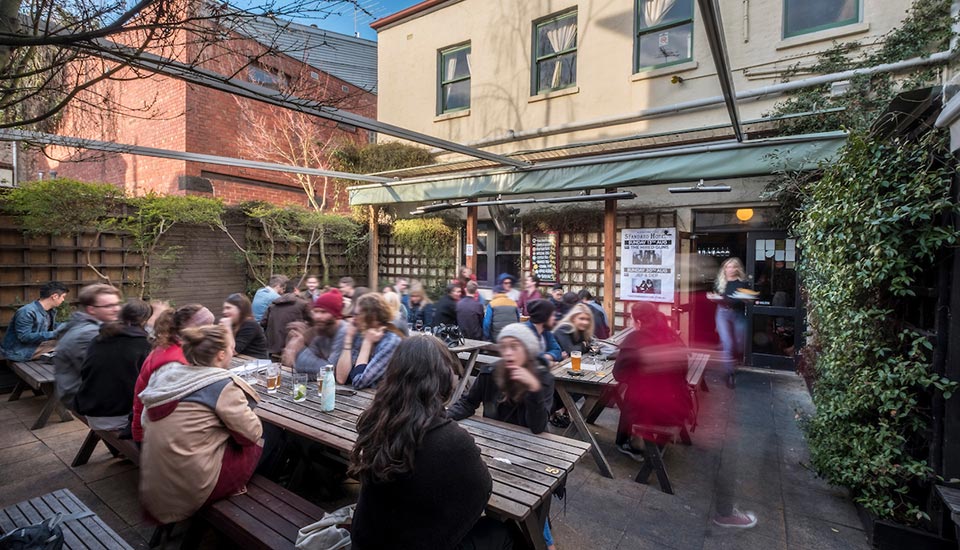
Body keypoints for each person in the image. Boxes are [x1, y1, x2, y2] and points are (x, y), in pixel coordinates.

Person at [350, 335, 513, 550]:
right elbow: (482, 492)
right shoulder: (451, 440)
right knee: (503, 532)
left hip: (366, 539)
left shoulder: (376, 420)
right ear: (443, 378)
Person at [139, 325, 263, 524]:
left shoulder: (168, 376)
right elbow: (252, 434)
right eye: (231, 348)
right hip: (193, 487)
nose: (233, 351)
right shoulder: (221, 385)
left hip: (158, 483)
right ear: (221, 355)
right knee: (263, 440)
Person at [448, 323, 557, 548]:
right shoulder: (490, 373)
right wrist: (443, 417)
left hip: (532, 452)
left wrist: (533, 389)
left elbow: (538, 427)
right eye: (504, 347)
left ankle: (544, 540)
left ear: (527, 350)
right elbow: (469, 403)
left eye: (514, 347)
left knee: (530, 501)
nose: (507, 353)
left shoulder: (542, 378)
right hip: (494, 447)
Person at [613, 302, 692, 457]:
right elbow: (683, 371)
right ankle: (638, 440)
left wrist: (637, 375)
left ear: (639, 322)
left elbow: (618, 374)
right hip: (677, 406)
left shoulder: (635, 338)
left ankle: (631, 443)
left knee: (635, 392)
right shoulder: (671, 334)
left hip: (650, 410)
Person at [132, 304, 216, 443]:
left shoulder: (173, 346)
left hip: (150, 427)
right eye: (209, 325)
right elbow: (165, 411)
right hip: (149, 437)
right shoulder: (173, 363)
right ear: (193, 329)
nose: (214, 330)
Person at [74, 300, 152, 431]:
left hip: (90, 409)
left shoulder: (99, 338)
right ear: (145, 320)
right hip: (119, 417)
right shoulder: (144, 345)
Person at [54, 284, 122, 410]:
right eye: (109, 306)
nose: (117, 309)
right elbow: (106, 373)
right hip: (83, 397)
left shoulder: (86, 325)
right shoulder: (89, 334)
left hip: (84, 391)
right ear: (91, 310)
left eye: (117, 304)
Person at [335, 293, 403, 389]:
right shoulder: (359, 334)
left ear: (373, 318)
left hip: (381, 400)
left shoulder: (391, 341)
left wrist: (367, 343)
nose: (353, 319)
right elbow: (341, 378)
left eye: (357, 315)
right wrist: (348, 339)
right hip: (358, 398)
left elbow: (358, 382)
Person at [708, 258, 750, 388]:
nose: (730, 269)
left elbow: (748, 299)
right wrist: (713, 298)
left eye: (732, 267)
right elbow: (715, 296)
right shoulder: (720, 282)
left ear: (737, 269)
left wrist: (747, 298)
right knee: (729, 343)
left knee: (739, 343)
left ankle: (730, 356)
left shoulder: (742, 283)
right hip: (722, 313)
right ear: (724, 269)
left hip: (737, 313)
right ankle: (729, 373)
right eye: (727, 267)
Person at [1, 281, 69, 361]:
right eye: (63, 297)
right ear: (55, 296)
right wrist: (55, 334)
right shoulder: (26, 311)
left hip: (33, 346)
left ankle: (51, 355)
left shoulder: (49, 311)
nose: (63, 300)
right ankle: (52, 355)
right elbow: (24, 337)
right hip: (19, 351)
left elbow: (48, 326)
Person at [286, 290, 350, 374]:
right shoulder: (323, 331)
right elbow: (303, 366)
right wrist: (295, 349)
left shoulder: (344, 332)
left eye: (324, 312)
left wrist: (300, 350)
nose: (318, 316)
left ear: (336, 315)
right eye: (316, 311)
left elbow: (330, 370)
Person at [261, 281, 311, 357]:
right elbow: (313, 324)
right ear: (295, 290)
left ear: (284, 290)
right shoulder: (303, 304)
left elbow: (263, 323)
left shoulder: (273, 305)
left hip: (273, 348)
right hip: (294, 349)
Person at [222, 293, 268, 359]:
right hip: (239, 361)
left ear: (240, 309)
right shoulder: (233, 324)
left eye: (228, 308)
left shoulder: (250, 325)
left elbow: (233, 351)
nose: (224, 311)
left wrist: (227, 328)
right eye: (224, 308)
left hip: (256, 363)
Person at [524, 300, 562, 366]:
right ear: (544, 316)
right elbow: (530, 359)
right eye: (552, 315)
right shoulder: (525, 332)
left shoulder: (545, 331)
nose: (554, 318)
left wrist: (544, 359)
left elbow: (557, 350)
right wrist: (548, 362)